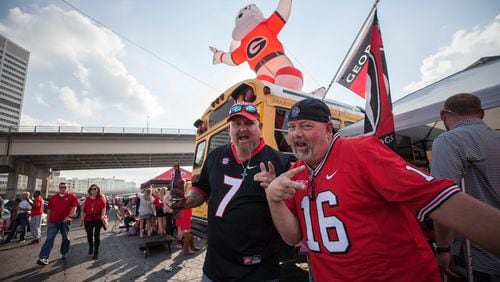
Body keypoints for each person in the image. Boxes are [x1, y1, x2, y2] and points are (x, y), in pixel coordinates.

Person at [264, 98, 500, 282]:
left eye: (306, 126)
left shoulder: (361, 151)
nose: (296, 134)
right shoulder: (296, 170)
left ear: (328, 129)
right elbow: (292, 236)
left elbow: (435, 195)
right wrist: (273, 198)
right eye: (292, 127)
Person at [167, 102, 290, 281]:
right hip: (216, 267)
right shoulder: (215, 156)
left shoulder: (278, 161)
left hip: (259, 270)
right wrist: (184, 200)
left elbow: (290, 212)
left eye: (248, 123)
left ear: (260, 127)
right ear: (229, 128)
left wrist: (276, 192)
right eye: (236, 124)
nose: (242, 129)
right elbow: (201, 190)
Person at [430, 93, 500, 281]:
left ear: (443, 115)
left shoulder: (449, 140)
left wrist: (443, 248)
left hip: (476, 257)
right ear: (482, 114)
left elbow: (442, 200)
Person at [36, 182, 79, 265]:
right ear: (59, 188)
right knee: (49, 239)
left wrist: (68, 217)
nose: (63, 188)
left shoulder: (71, 196)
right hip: (53, 221)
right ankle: (43, 257)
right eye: (61, 187)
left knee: (65, 238)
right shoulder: (53, 198)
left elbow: (74, 208)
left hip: (65, 221)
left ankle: (64, 253)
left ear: (67, 188)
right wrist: (47, 221)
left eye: (64, 187)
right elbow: (49, 210)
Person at [80, 184, 107, 260]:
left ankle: (96, 251)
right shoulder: (87, 198)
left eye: (95, 189)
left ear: (98, 190)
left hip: (98, 217)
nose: (93, 190)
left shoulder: (101, 198)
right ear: (90, 190)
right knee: (89, 235)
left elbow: (103, 208)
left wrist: (102, 216)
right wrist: (82, 220)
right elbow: (84, 210)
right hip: (88, 217)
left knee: (96, 235)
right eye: (92, 189)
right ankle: (91, 246)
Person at [175, 181, 199, 255]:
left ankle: (192, 247)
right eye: (189, 186)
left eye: (191, 185)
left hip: (188, 214)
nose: (191, 187)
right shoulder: (185, 195)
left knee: (190, 232)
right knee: (187, 232)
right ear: (186, 187)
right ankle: (186, 250)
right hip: (185, 214)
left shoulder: (188, 194)